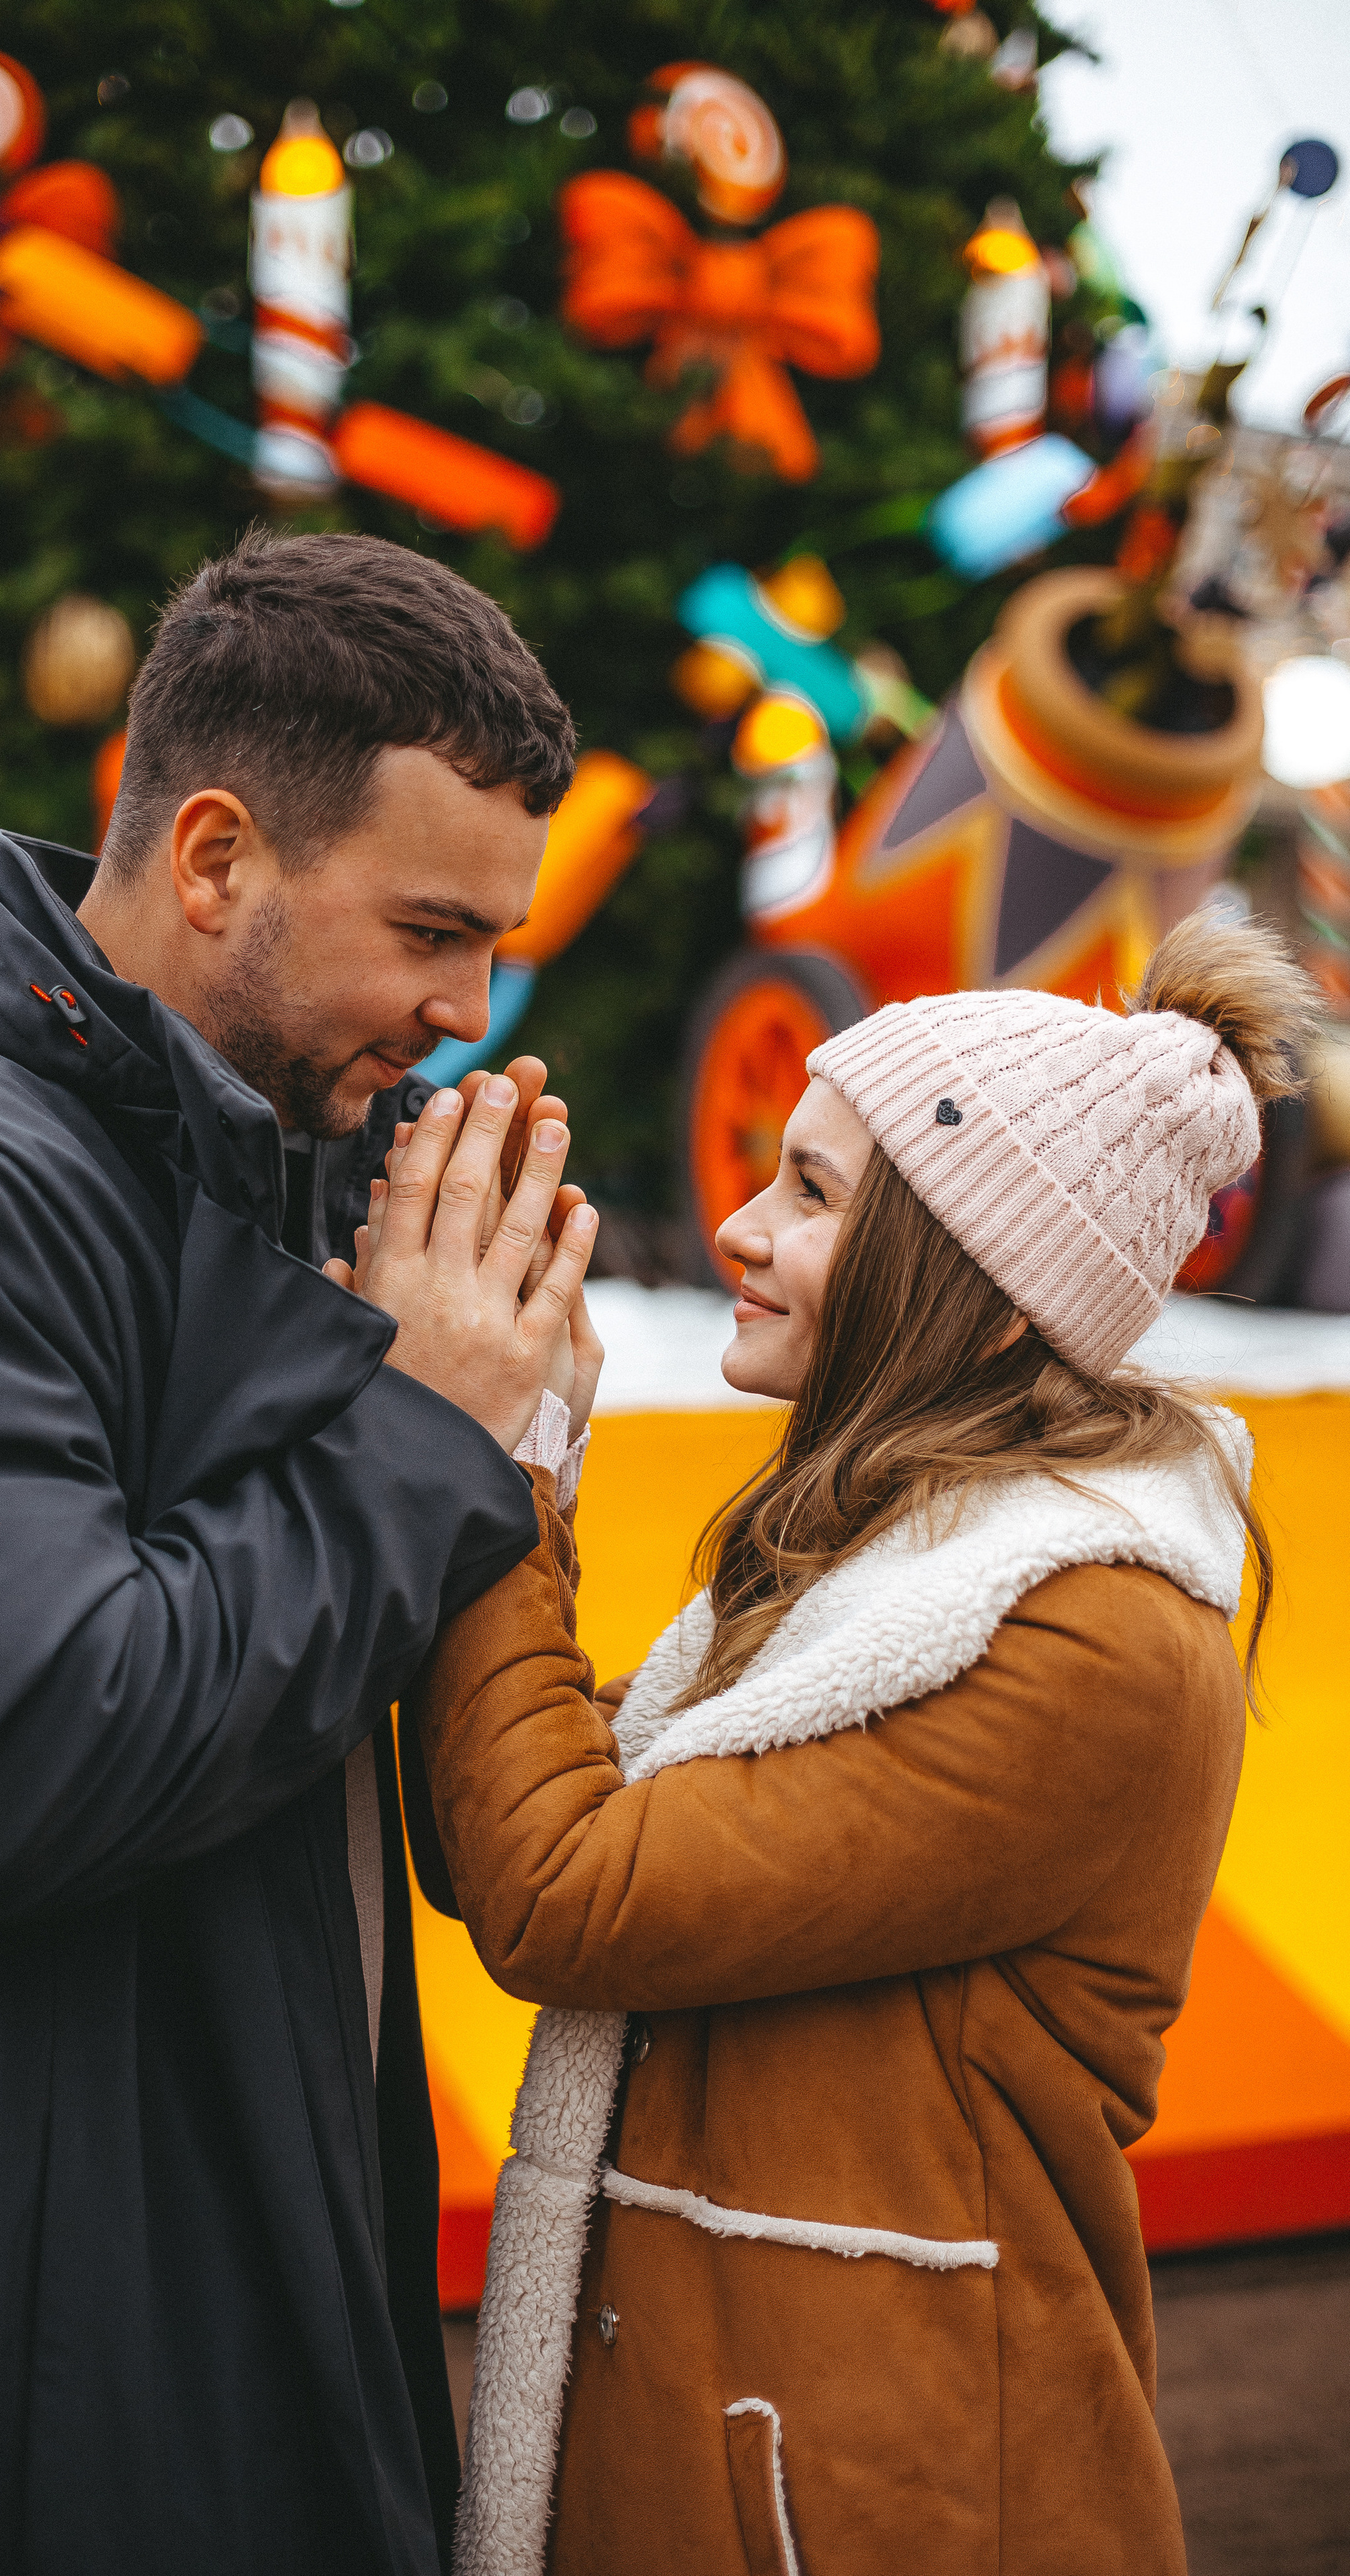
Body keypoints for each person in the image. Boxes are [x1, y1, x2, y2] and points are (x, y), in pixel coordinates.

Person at [0, 529, 601, 2576]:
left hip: (212, 2323)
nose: (463, 1012)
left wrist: (514, 1436)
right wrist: (423, 1432)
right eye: (430, 931)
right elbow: (3, 1764)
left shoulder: (257, 1160)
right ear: (219, 855)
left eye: (490, 946)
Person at [376, 915, 1316, 2575]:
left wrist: (492, 1460)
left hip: (889, 2504)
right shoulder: (880, 1562)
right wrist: (512, 1459)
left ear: (985, 1293)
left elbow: (559, 1893)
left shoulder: (1080, 1636)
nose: (737, 1227)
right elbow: (496, 1821)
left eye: (810, 1194)